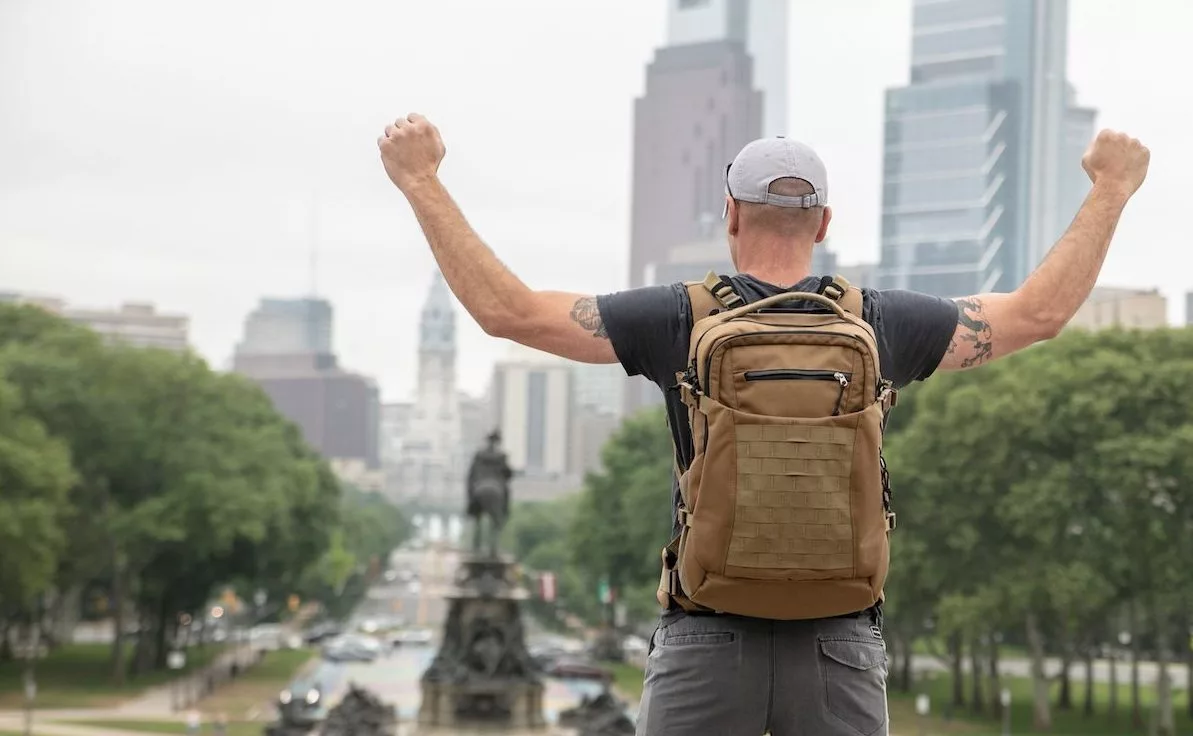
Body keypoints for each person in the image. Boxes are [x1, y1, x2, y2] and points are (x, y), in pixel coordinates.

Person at [377, 113, 1149, 736]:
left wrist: (420, 181)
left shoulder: (678, 316)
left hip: (704, 635)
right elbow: (1037, 315)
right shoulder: (880, 323)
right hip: (839, 639)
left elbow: (507, 312)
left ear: (731, 216)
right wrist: (1110, 189)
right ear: (821, 224)